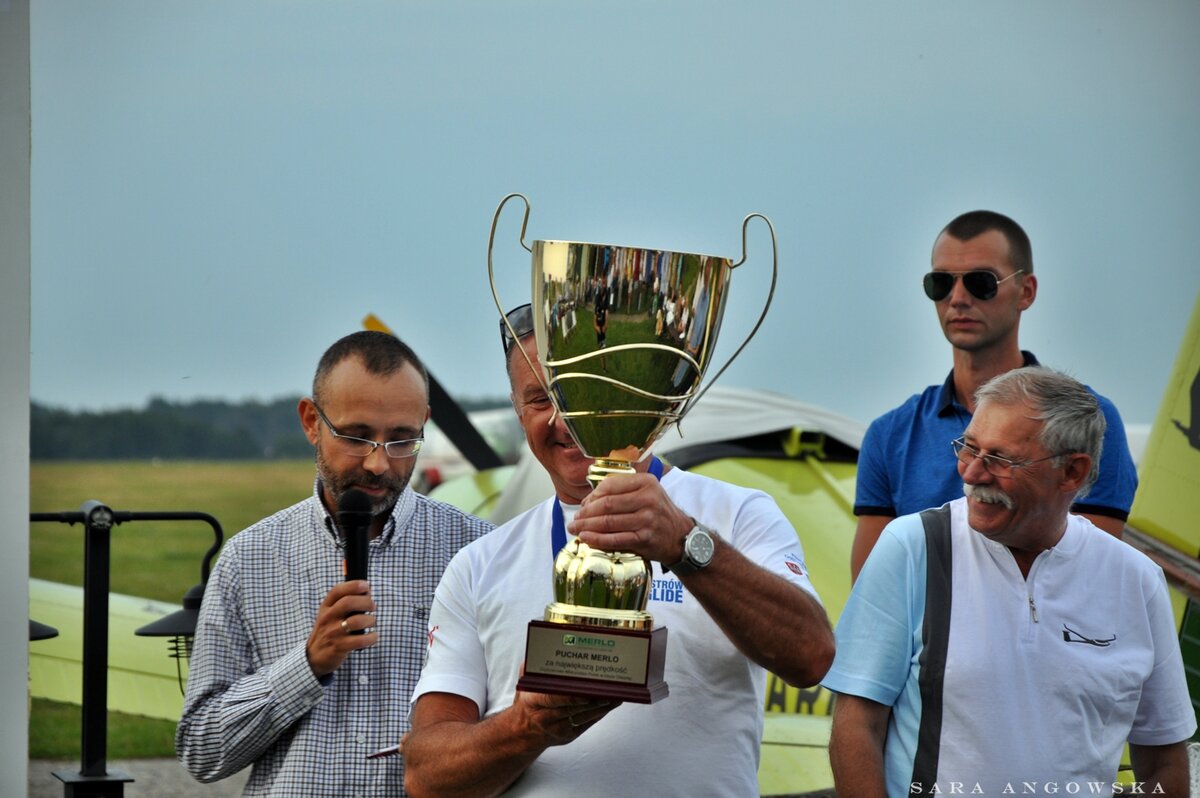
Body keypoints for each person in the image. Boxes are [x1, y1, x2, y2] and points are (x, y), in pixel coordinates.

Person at [400, 304, 835, 797]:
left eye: (590, 392)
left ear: (641, 393)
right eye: (542, 398)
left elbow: (811, 656)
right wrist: (526, 727)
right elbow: (426, 778)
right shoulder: (479, 565)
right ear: (517, 409)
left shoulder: (737, 514)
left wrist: (686, 546)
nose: (568, 419)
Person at [825, 367, 1195, 797]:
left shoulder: (1136, 580)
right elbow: (856, 724)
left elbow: (1164, 762)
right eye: (969, 448)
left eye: (1000, 459)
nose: (972, 474)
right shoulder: (914, 545)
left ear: (1072, 472)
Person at [176, 331, 492, 795]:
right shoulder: (248, 560)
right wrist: (307, 664)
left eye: (402, 440)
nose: (379, 463)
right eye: (357, 436)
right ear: (310, 421)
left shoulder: (476, 551)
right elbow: (202, 751)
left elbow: (516, 727)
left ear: (425, 423)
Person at [851, 210, 1137, 581]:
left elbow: (1090, 576)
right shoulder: (889, 434)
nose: (957, 298)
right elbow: (874, 590)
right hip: (928, 640)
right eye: (940, 283)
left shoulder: (1090, 420)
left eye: (980, 282)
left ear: (1027, 291)